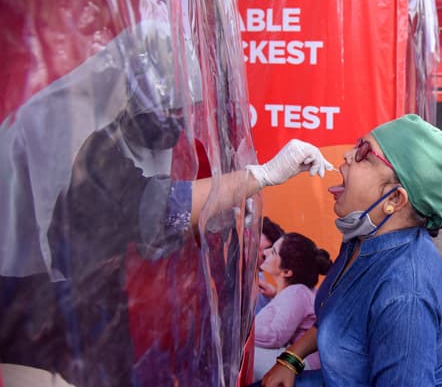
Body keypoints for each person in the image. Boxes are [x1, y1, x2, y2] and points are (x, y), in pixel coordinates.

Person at [0, 53, 334, 387]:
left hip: (89, 303)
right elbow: (153, 210)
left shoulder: (130, 136)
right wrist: (261, 176)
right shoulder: (73, 131)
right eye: (171, 111)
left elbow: (150, 233)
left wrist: (213, 213)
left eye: (184, 111)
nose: (180, 121)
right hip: (35, 304)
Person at [257, 114, 442, 387]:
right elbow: (338, 316)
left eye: (364, 154)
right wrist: (291, 358)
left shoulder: (405, 294)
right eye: (357, 144)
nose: (348, 155)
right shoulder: (364, 239)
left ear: (394, 199)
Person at [253, 232, 332, 381]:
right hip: (303, 361)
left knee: (237, 353)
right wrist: (275, 294)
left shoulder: (297, 293)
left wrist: (243, 328)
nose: (265, 252)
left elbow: (275, 336)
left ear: (287, 272)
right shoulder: (299, 291)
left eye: (273, 252)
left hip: (302, 364)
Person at [256, 217, 286, 314]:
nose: (250, 255)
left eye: (264, 256)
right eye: (253, 246)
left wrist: (275, 295)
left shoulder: (259, 288)